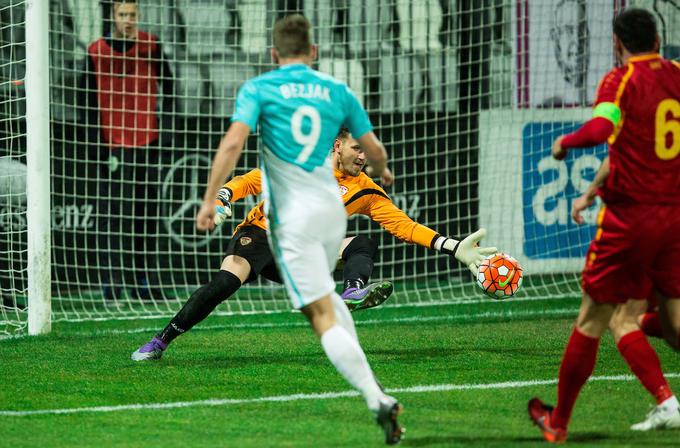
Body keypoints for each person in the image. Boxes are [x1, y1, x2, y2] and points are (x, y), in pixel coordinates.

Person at [132, 127, 491, 361]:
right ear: (337, 145)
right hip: (261, 235)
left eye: (367, 153)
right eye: (357, 149)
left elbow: (404, 226)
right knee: (225, 283)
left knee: (360, 242)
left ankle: (352, 292)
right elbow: (251, 180)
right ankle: (161, 340)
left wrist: (454, 247)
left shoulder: (365, 189)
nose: (363, 157)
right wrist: (224, 195)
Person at [528, 8, 680, 443]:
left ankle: (558, 424)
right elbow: (628, 146)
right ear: (657, 37)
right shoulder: (676, 75)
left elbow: (600, 129)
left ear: (617, 43)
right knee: (672, 325)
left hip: (631, 219)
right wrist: (594, 188)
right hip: (674, 218)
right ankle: (667, 401)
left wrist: (564, 143)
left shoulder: (620, 81)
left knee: (596, 317)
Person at [81, 0, 174, 301]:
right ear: (113, 17)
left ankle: (143, 282)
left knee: (145, 216)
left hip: (147, 141)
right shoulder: (96, 51)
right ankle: (112, 284)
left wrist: (165, 130)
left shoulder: (151, 45)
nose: (128, 20)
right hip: (112, 147)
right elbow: (85, 102)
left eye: (133, 15)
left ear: (139, 16)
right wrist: (96, 145)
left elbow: (170, 87)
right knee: (111, 217)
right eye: (123, 15)